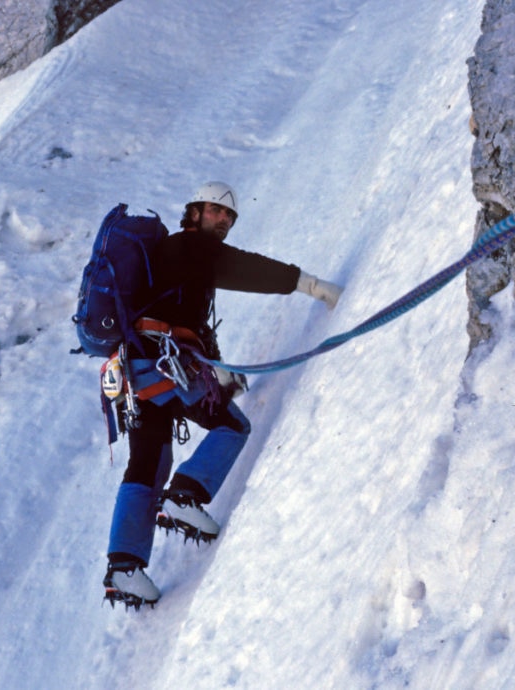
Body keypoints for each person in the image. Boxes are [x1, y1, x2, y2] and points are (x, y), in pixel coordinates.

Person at [102, 181, 343, 608]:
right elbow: (248, 269)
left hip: (136, 374)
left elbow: (187, 319)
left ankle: (124, 567)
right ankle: (185, 496)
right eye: (215, 211)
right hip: (163, 363)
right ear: (194, 212)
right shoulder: (193, 248)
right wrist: (312, 286)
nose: (224, 221)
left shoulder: (172, 258)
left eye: (229, 216)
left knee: (147, 463)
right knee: (232, 424)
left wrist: (222, 373)